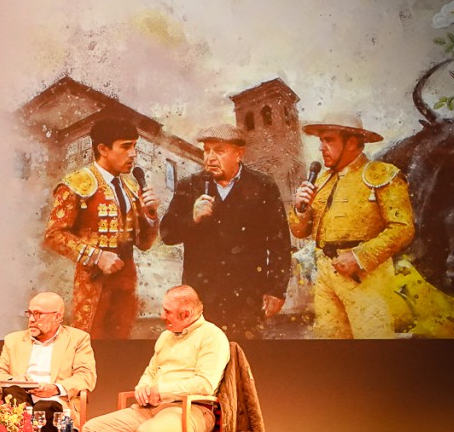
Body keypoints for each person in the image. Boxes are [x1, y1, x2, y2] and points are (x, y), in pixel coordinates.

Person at [82, 285, 230, 432]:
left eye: (168, 311)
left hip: (192, 410)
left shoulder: (213, 337)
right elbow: (151, 372)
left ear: (186, 314)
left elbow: (204, 384)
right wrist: (143, 387)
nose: (162, 316)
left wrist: (162, 391)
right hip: (152, 408)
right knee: (93, 429)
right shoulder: (165, 337)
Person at [289, 113, 415, 338]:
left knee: (373, 341)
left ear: (352, 143)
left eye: (329, 140)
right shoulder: (321, 180)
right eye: (321, 141)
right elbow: (300, 231)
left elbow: (403, 228)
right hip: (325, 276)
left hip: (366, 277)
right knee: (330, 343)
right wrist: (300, 209)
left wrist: (359, 257)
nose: (322, 148)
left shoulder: (381, 174)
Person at [160, 124, 292, 339]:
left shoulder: (262, 186)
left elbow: (280, 243)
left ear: (239, 154)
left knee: (245, 351)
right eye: (207, 150)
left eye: (219, 151)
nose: (210, 158)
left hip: (247, 295)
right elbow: (167, 234)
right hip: (201, 295)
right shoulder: (190, 185)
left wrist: (277, 290)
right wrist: (192, 218)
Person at [43, 116, 160, 339]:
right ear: (103, 149)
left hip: (126, 282)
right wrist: (97, 256)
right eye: (125, 146)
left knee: (121, 341)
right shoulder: (77, 183)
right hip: (93, 282)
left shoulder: (130, 188)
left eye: (134, 146)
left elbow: (144, 243)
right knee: (91, 339)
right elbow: (54, 235)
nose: (133, 154)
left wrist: (151, 214)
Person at [0, 292, 97, 432]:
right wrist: (15, 380)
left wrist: (55, 389)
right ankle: (26, 429)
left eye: (38, 314)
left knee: (45, 407)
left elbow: (85, 376)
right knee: (12, 391)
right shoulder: (13, 340)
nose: (32, 319)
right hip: (21, 401)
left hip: (54, 402)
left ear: (57, 317)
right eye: (30, 313)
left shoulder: (77, 339)